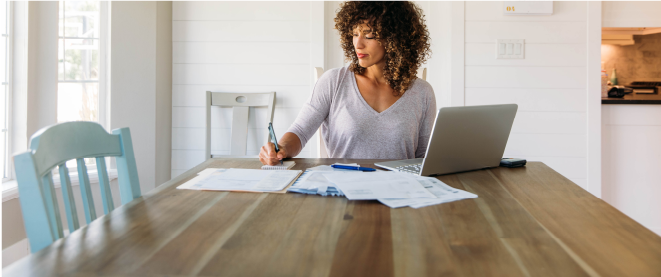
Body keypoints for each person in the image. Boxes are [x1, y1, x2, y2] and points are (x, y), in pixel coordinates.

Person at [259, 0, 434, 165]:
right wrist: (280, 148)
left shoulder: (422, 92)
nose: (358, 44)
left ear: (395, 38)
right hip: (343, 190)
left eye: (369, 35)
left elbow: (424, 158)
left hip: (399, 191)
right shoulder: (334, 82)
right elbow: (300, 131)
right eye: (355, 34)